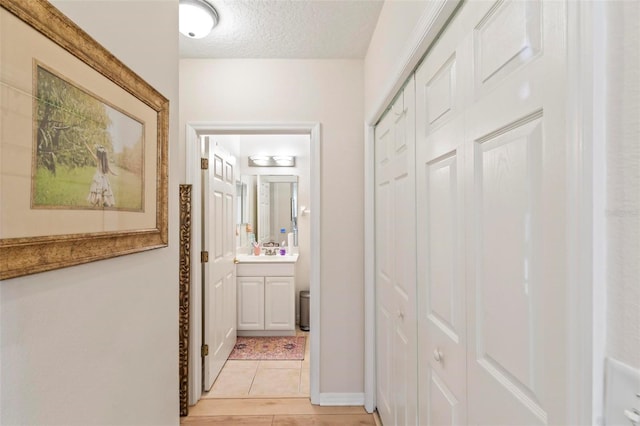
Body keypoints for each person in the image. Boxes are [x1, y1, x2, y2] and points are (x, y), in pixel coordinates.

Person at [85, 141, 117, 207]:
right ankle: (103, 201)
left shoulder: (97, 159)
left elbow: (90, 152)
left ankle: (97, 202)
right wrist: (115, 174)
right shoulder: (105, 162)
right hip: (104, 178)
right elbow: (110, 171)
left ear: (98, 154)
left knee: (97, 190)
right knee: (104, 191)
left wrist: (86, 145)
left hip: (98, 177)